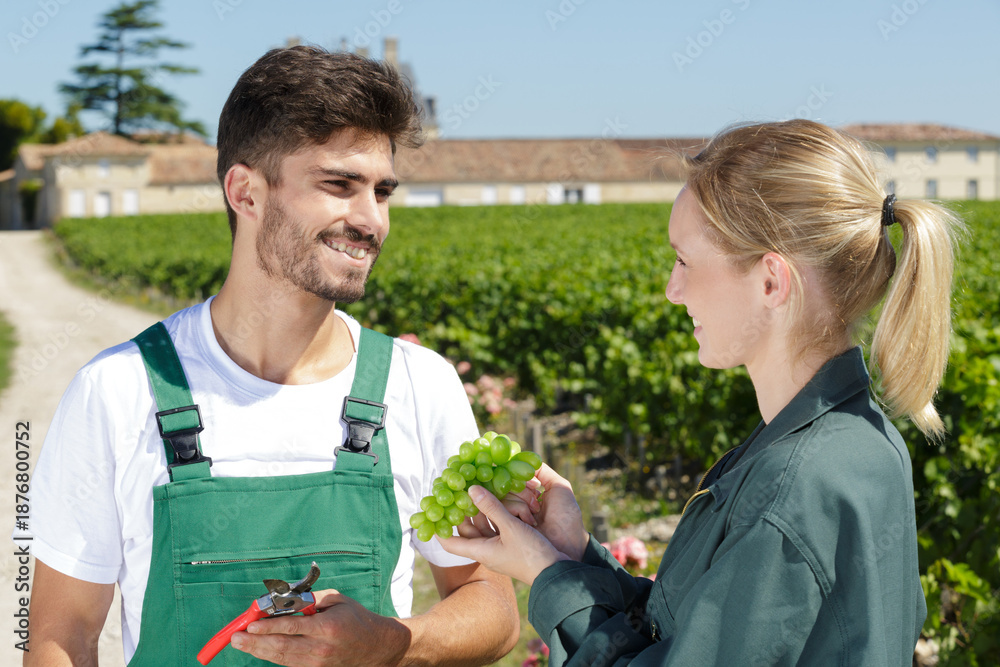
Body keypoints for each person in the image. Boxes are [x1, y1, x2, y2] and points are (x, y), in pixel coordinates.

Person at [26, 46, 521, 666]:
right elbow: (60, 635)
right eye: (339, 185)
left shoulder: (419, 385)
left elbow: (493, 606)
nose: (371, 220)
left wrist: (395, 643)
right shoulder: (120, 390)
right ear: (246, 192)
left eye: (382, 192)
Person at [442, 119, 961, 665]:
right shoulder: (855, 441)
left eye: (685, 260)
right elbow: (691, 630)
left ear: (771, 282)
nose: (672, 290)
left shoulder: (791, 489)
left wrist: (546, 576)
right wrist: (573, 557)